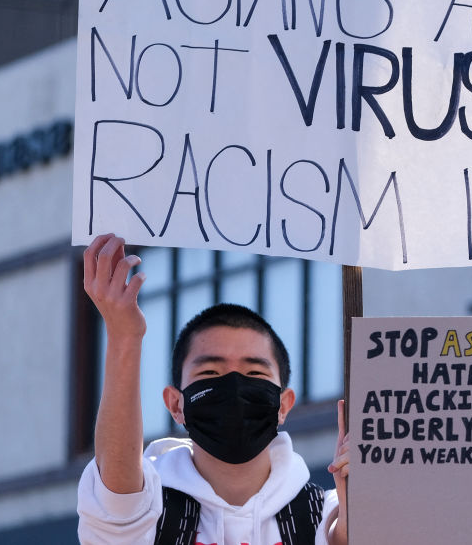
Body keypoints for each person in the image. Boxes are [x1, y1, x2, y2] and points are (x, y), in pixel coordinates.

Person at [77, 233, 350, 545]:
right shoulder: (151, 514)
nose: (234, 385)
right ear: (175, 404)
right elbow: (117, 500)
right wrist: (124, 334)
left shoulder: (323, 517)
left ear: (284, 404)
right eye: (210, 371)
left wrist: (366, 501)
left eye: (254, 371)